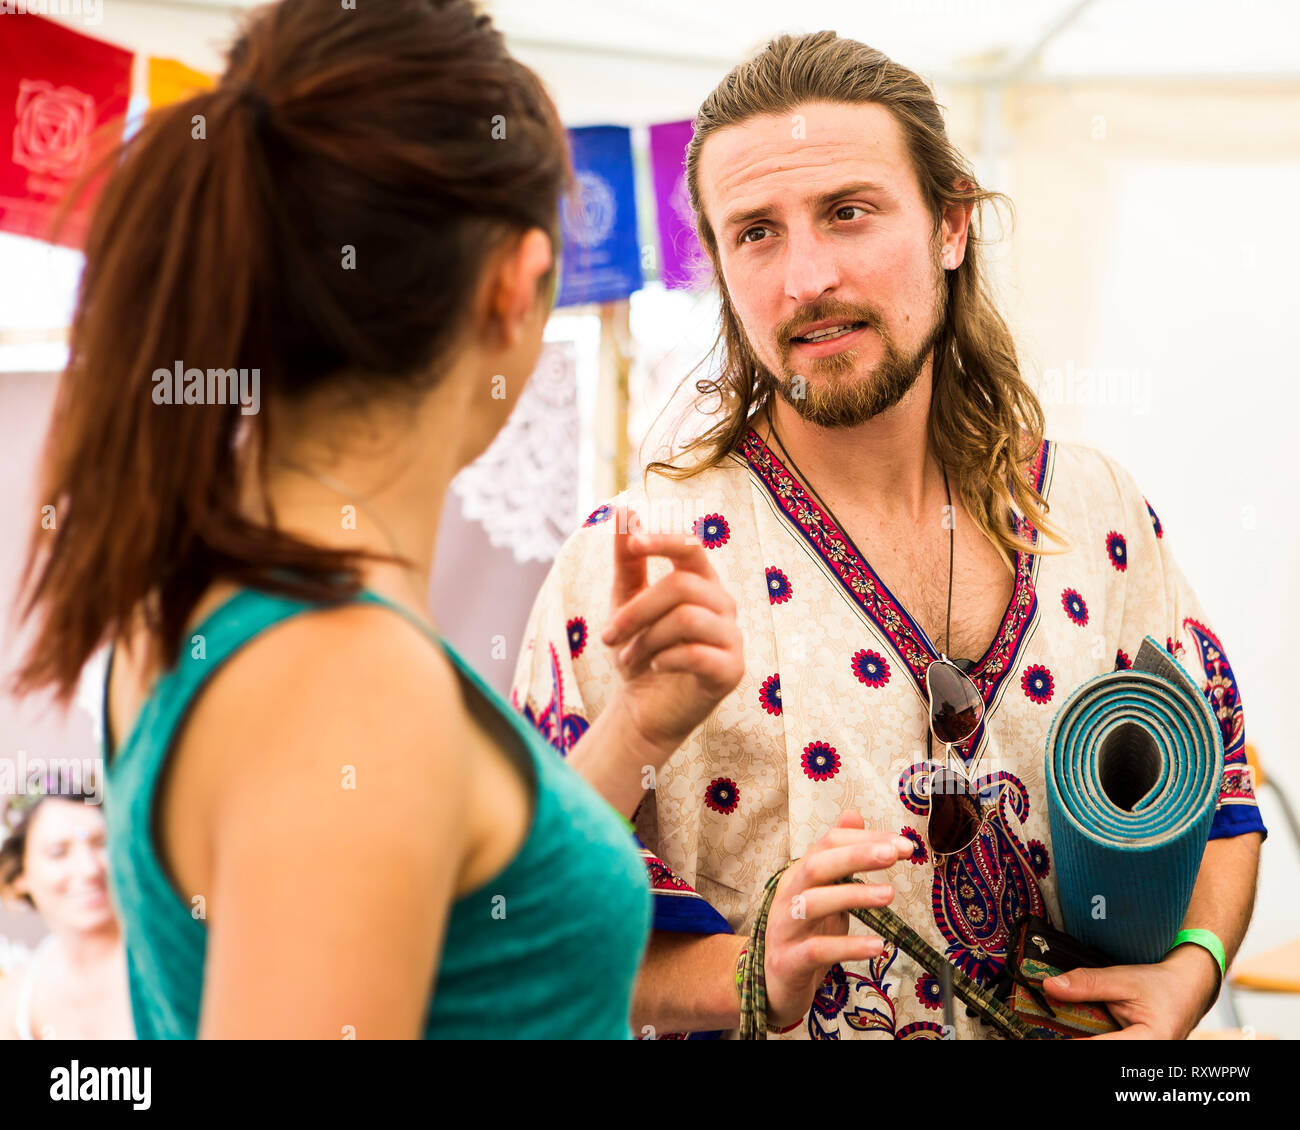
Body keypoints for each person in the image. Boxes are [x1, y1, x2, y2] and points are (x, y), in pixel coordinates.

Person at [510, 31, 1267, 1040]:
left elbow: (1221, 791)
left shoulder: (1094, 514)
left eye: (847, 213)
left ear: (950, 225)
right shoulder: (633, 562)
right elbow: (521, 925)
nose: (804, 278)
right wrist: (749, 967)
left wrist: (1193, 969)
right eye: (755, 233)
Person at [9, 0, 700, 1039]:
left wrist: (637, 726)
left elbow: (466, 922)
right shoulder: (347, 683)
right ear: (517, 287)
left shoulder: (202, 604)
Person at [0, 784, 134, 1039]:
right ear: (20, 874)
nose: (89, 869)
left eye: (101, 843)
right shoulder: (15, 1003)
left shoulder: (171, 958)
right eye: (58, 853)